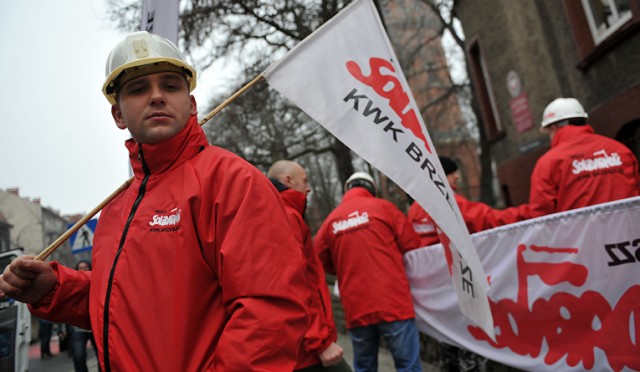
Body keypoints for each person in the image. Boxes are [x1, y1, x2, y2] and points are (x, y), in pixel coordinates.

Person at [0, 31, 309, 371]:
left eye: (171, 86)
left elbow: (268, 315)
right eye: (138, 88)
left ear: (191, 104)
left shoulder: (233, 181)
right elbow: (120, 303)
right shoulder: (117, 207)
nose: (157, 96)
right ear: (118, 115)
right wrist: (55, 289)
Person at [314, 172, 423, 372]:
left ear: (347, 189)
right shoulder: (384, 208)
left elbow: (317, 260)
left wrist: (342, 265)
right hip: (394, 303)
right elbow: (412, 244)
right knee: (408, 366)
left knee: (364, 368)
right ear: (372, 189)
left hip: (357, 307)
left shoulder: (331, 220)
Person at [268, 160, 352, 372]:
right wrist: (320, 342)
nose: (308, 188)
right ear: (288, 180)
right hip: (306, 349)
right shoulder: (286, 216)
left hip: (300, 344)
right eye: (304, 181)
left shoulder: (279, 213)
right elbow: (295, 283)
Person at [528, 97, 640, 217]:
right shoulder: (620, 150)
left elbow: (542, 215)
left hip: (582, 235)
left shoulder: (549, 162)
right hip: (630, 231)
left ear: (554, 128)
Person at [408, 156, 529, 247]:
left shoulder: (415, 208)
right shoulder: (448, 202)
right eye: (451, 173)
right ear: (439, 176)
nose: (457, 176)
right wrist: (526, 213)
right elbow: (488, 219)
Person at [70, 259, 99, 372]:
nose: (82, 270)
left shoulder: (96, 281)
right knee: (78, 356)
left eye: (85, 267)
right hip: (78, 328)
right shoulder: (71, 284)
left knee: (102, 356)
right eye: (80, 267)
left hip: (95, 326)